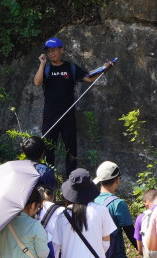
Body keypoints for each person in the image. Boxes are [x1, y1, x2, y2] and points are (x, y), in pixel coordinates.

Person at [31, 39, 114, 176]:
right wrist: (42, 64)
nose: (51, 53)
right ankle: (47, 178)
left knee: (71, 149)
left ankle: (71, 180)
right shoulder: (46, 68)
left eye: (54, 50)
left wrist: (104, 70)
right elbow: (37, 82)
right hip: (50, 115)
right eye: (49, 51)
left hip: (68, 114)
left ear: (61, 50)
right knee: (48, 147)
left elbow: (89, 78)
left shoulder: (71, 67)